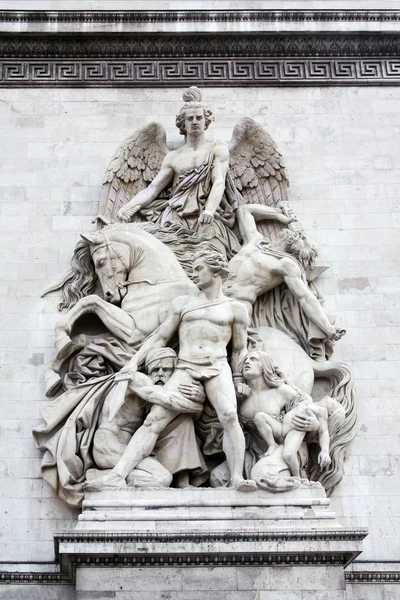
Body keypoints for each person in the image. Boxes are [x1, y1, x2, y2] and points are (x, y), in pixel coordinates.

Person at [87, 247, 256, 492]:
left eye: (199, 268)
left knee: (229, 416)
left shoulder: (236, 308)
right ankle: (117, 475)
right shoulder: (183, 304)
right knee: (154, 419)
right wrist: (134, 362)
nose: (194, 273)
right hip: (186, 366)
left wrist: (239, 377)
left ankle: (237, 478)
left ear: (216, 270)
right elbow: (160, 337)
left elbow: (239, 349)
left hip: (218, 366)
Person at [116, 87, 241, 258]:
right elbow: (152, 189)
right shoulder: (173, 157)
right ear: (183, 123)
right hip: (174, 216)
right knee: (163, 259)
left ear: (206, 121)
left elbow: (219, 181)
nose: (195, 121)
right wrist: (129, 206)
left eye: (199, 117)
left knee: (213, 257)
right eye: (190, 118)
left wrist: (210, 210)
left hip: (206, 216)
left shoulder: (217, 148)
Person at [224, 203, 345, 344]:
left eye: (302, 238)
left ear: (297, 249)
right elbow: (245, 210)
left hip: (238, 305)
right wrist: (281, 216)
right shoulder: (256, 240)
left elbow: (306, 298)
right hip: (215, 295)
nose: (297, 236)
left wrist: (328, 328)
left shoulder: (285, 264)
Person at [89, 347, 207, 489]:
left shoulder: (152, 395)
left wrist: (200, 395)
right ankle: (99, 476)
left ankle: (114, 476)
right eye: (155, 370)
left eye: (166, 369)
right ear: (147, 371)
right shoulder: (137, 379)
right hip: (108, 446)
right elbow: (170, 401)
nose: (160, 374)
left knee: (182, 421)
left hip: (127, 449)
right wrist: (200, 404)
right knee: (163, 478)